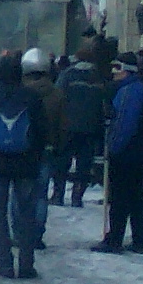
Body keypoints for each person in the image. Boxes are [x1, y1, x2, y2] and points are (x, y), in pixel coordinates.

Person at [0, 54, 48, 278]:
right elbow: (41, 131)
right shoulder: (32, 96)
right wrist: (35, 156)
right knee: (26, 213)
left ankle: (4, 262)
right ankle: (26, 264)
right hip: (26, 164)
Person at [94, 53, 143, 255]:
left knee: (120, 196)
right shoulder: (139, 88)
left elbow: (124, 124)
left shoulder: (129, 91)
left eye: (117, 68)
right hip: (138, 152)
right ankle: (140, 239)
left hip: (127, 152)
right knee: (135, 196)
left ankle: (114, 238)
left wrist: (113, 147)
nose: (114, 73)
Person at [20, 47, 64, 250]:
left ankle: (20, 232)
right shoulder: (56, 94)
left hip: (24, 149)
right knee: (40, 195)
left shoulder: (21, 93)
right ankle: (37, 235)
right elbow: (63, 125)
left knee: (19, 193)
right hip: (47, 148)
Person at [55, 45, 108, 207]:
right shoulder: (97, 77)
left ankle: (58, 195)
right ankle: (77, 197)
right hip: (90, 128)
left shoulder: (67, 74)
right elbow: (104, 102)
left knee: (62, 162)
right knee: (84, 165)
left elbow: (58, 96)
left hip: (68, 126)